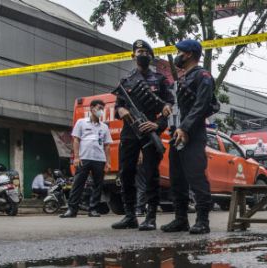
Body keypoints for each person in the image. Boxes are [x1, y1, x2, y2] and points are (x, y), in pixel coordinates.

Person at [112, 39, 174, 231]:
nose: (142, 55)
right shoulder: (126, 82)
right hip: (130, 133)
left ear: (151, 56)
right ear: (133, 56)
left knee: (150, 174)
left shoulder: (160, 80)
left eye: (146, 52)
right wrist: (121, 111)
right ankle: (130, 215)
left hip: (150, 133)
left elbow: (168, 107)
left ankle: (151, 216)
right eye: (139, 51)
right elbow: (118, 107)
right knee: (126, 173)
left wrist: (156, 125)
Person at [160, 39, 217, 235]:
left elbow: (202, 106)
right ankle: (180, 219)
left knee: (196, 176)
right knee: (177, 178)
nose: (178, 55)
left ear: (189, 54)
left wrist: (184, 128)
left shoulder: (203, 76)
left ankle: (203, 220)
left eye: (180, 52)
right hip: (177, 133)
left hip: (193, 133)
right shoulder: (183, 79)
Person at [61, 99, 112, 218]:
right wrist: (77, 157)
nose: (101, 111)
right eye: (99, 108)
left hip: (99, 159)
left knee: (97, 185)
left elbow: (107, 145)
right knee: (78, 184)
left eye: (102, 109)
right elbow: (76, 140)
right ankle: (72, 210)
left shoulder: (104, 127)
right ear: (92, 108)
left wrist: (108, 162)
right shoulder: (81, 122)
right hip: (84, 158)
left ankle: (93, 209)